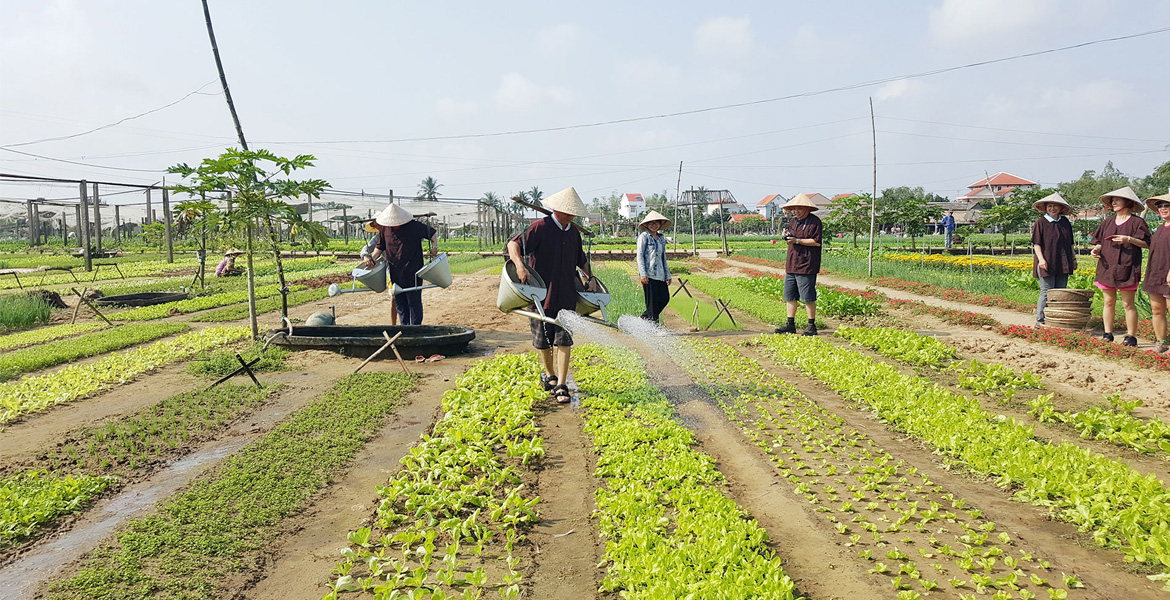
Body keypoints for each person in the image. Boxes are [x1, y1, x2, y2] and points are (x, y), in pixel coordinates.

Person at [506, 187, 592, 404]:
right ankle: (550, 376)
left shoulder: (573, 233)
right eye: (568, 212)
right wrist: (520, 266)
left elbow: (581, 260)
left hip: (566, 295)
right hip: (540, 295)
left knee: (564, 340)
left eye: (574, 213)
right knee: (542, 340)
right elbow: (513, 244)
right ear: (557, 209)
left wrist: (589, 279)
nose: (571, 216)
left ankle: (562, 384)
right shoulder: (540, 227)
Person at [1091, 186, 1151, 346]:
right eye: (1112, 200)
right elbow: (1099, 242)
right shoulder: (1107, 222)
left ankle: (1131, 336)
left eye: (1117, 199)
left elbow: (1147, 243)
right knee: (1108, 302)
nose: (1114, 202)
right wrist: (1096, 249)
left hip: (1128, 267)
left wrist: (1129, 239)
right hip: (1107, 267)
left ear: (1128, 202)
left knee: (1127, 304)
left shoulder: (1137, 222)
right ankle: (1107, 333)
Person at [368, 204, 438, 325]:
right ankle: (404, 328)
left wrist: (434, 247)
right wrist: (371, 259)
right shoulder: (385, 229)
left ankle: (415, 329)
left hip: (414, 271)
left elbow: (432, 233)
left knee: (414, 302)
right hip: (395, 271)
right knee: (400, 303)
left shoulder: (414, 226)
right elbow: (379, 246)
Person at [774, 194, 823, 336]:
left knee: (808, 296)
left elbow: (816, 241)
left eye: (799, 208)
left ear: (807, 208)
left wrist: (797, 241)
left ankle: (811, 325)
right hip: (792, 263)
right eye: (794, 209)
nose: (796, 211)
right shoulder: (793, 222)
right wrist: (787, 236)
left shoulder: (815, 222)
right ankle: (790, 324)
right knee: (790, 296)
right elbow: (791, 237)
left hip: (807, 264)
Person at [1030, 193, 1077, 327]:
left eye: (1055, 206)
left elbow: (1070, 244)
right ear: (1045, 208)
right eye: (1049, 206)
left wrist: (1073, 260)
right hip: (1047, 261)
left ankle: (1055, 319)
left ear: (1060, 208)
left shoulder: (1065, 222)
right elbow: (1037, 244)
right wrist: (1041, 260)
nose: (1052, 209)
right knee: (1046, 292)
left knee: (1060, 292)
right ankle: (1040, 321)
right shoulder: (1041, 222)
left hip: (1063, 262)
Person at [1143, 193, 1170, 354]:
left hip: (1168, 275)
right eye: (1160, 206)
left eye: (1167, 205)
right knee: (1157, 309)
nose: (1163, 209)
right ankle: (1161, 341)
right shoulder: (1160, 228)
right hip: (1156, 273)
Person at [636, 210, 672, 324]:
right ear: (646, 224)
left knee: (664, 299)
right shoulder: (644, 237)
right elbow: (640, 255)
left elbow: (663, 257)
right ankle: (654, 327)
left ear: (660, 224)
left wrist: (668, 274)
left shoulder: (661, 238)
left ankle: (642, 320)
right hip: (649, 274)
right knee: (652, 303)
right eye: (651, 223)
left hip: (660, 275)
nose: (653, 225)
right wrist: (643, 274)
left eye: (656, 222)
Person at [360, 219, 397, 326]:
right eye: (376, 226)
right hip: (391, 270)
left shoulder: (396, 234)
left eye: (379, 225)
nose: (378, 228)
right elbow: (365, 249)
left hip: (404, 267)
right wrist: (366, 256)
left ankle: (409, 325)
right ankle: (393, 325)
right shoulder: (377, 238)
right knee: (394, 298)